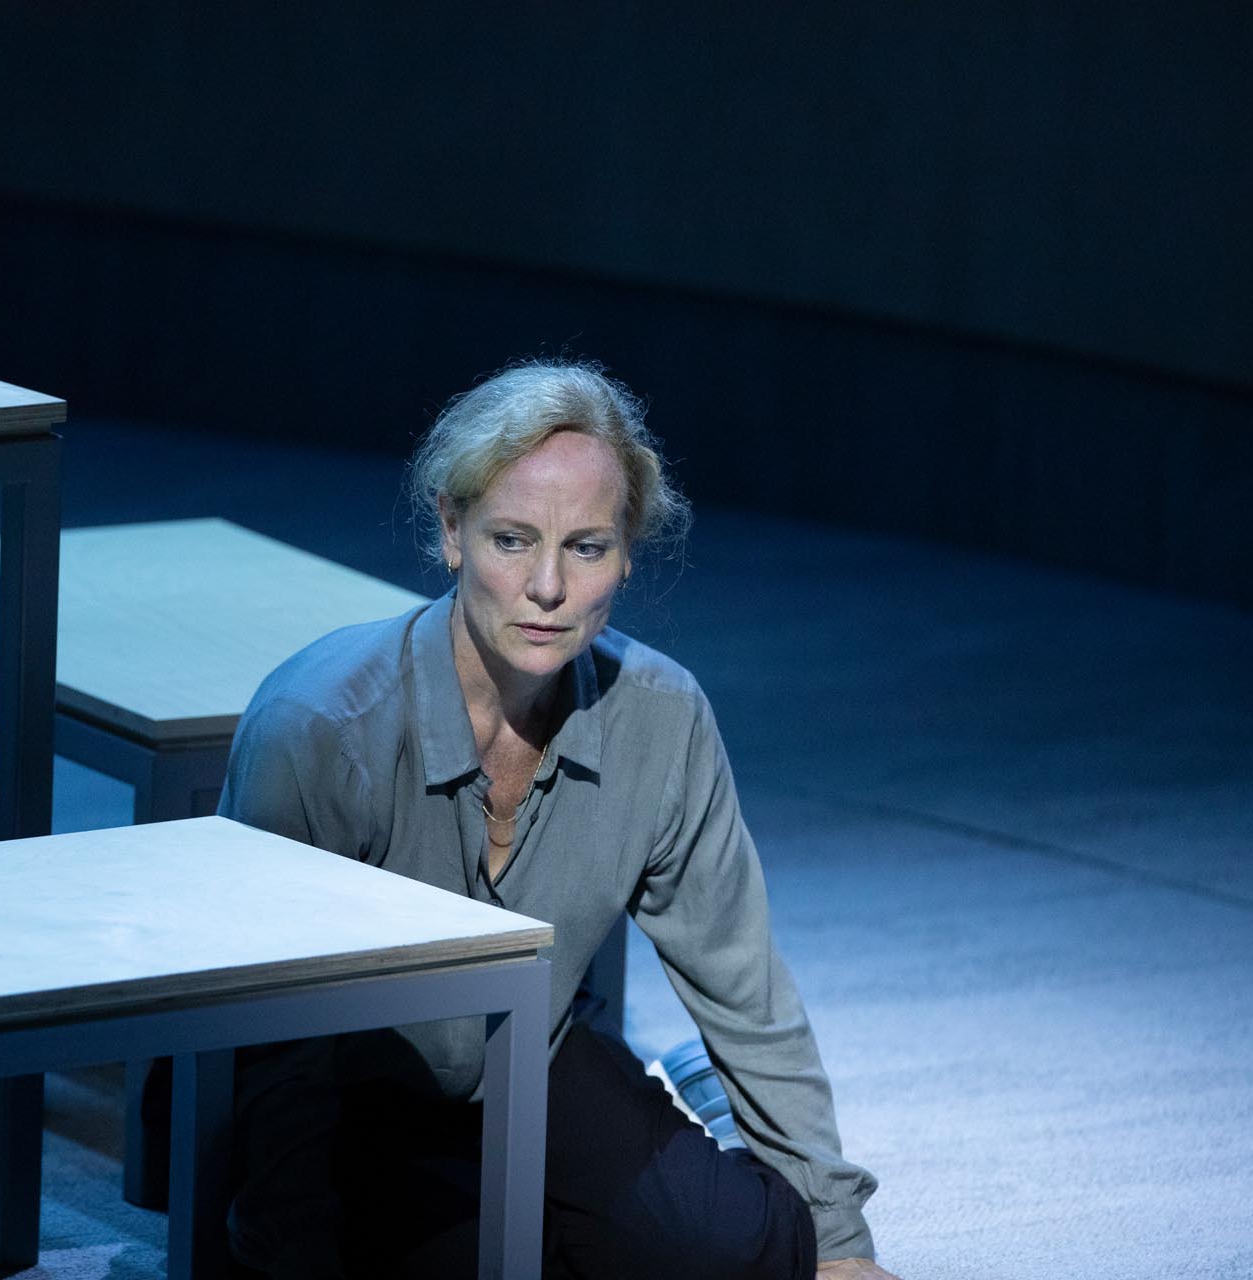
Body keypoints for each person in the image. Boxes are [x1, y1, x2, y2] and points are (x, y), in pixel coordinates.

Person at [217, 360, 899, 1279]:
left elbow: (746, 989)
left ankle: (699, 1114)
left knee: (742, 1252)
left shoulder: (660, 715)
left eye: (585, 547)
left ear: (626, 554)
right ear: (451, 531)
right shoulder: (322, 727)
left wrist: (841, 1243)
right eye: (511, 540)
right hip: (357, 1090)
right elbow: (272, 1047)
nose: (547, 586)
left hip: (534, 1057)